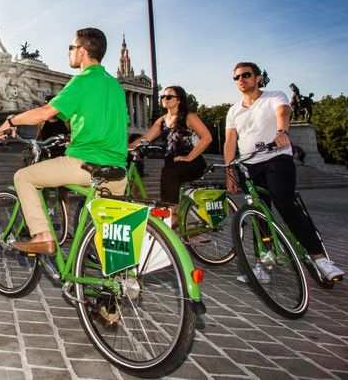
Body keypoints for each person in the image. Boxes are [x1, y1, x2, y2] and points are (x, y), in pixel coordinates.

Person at [0, 28, 129, 255]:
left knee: (24, 177)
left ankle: (42, 235)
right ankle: (119, 282)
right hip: (118, 171)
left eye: (71, 47)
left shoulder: (82, 81)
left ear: (83, 51)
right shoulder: (115, 86)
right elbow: (112, 123)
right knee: (111, 243)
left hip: (85, 164)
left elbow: (44, 113)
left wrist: (11, 121)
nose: (68, 52)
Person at [225, 62, 343, 283]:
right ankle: (265, 263)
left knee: (285, 204)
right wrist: (229, 170)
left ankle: (320, 259)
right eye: (237, 77)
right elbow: (230, 141)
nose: (241, 80)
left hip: (275, 160)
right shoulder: (233, 110)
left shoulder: (273, 97)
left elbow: (283, 111)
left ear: (258, 78)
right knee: (259, 215)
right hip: (248, 166)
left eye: (246, 75)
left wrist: (281, 131)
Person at [129, 86, 212, 210]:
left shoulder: (189, 117)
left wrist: (189, 157)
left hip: (193, 163)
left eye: (168, 97)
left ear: (179, 100)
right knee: (168, 173)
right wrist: (127, 148)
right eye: (162, 96)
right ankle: (172, 214)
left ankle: (171, 215)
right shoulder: (162, 121)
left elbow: (207, 138)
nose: (164, 99)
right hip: (172, 165)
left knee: (169, 173)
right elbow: (145, 138)